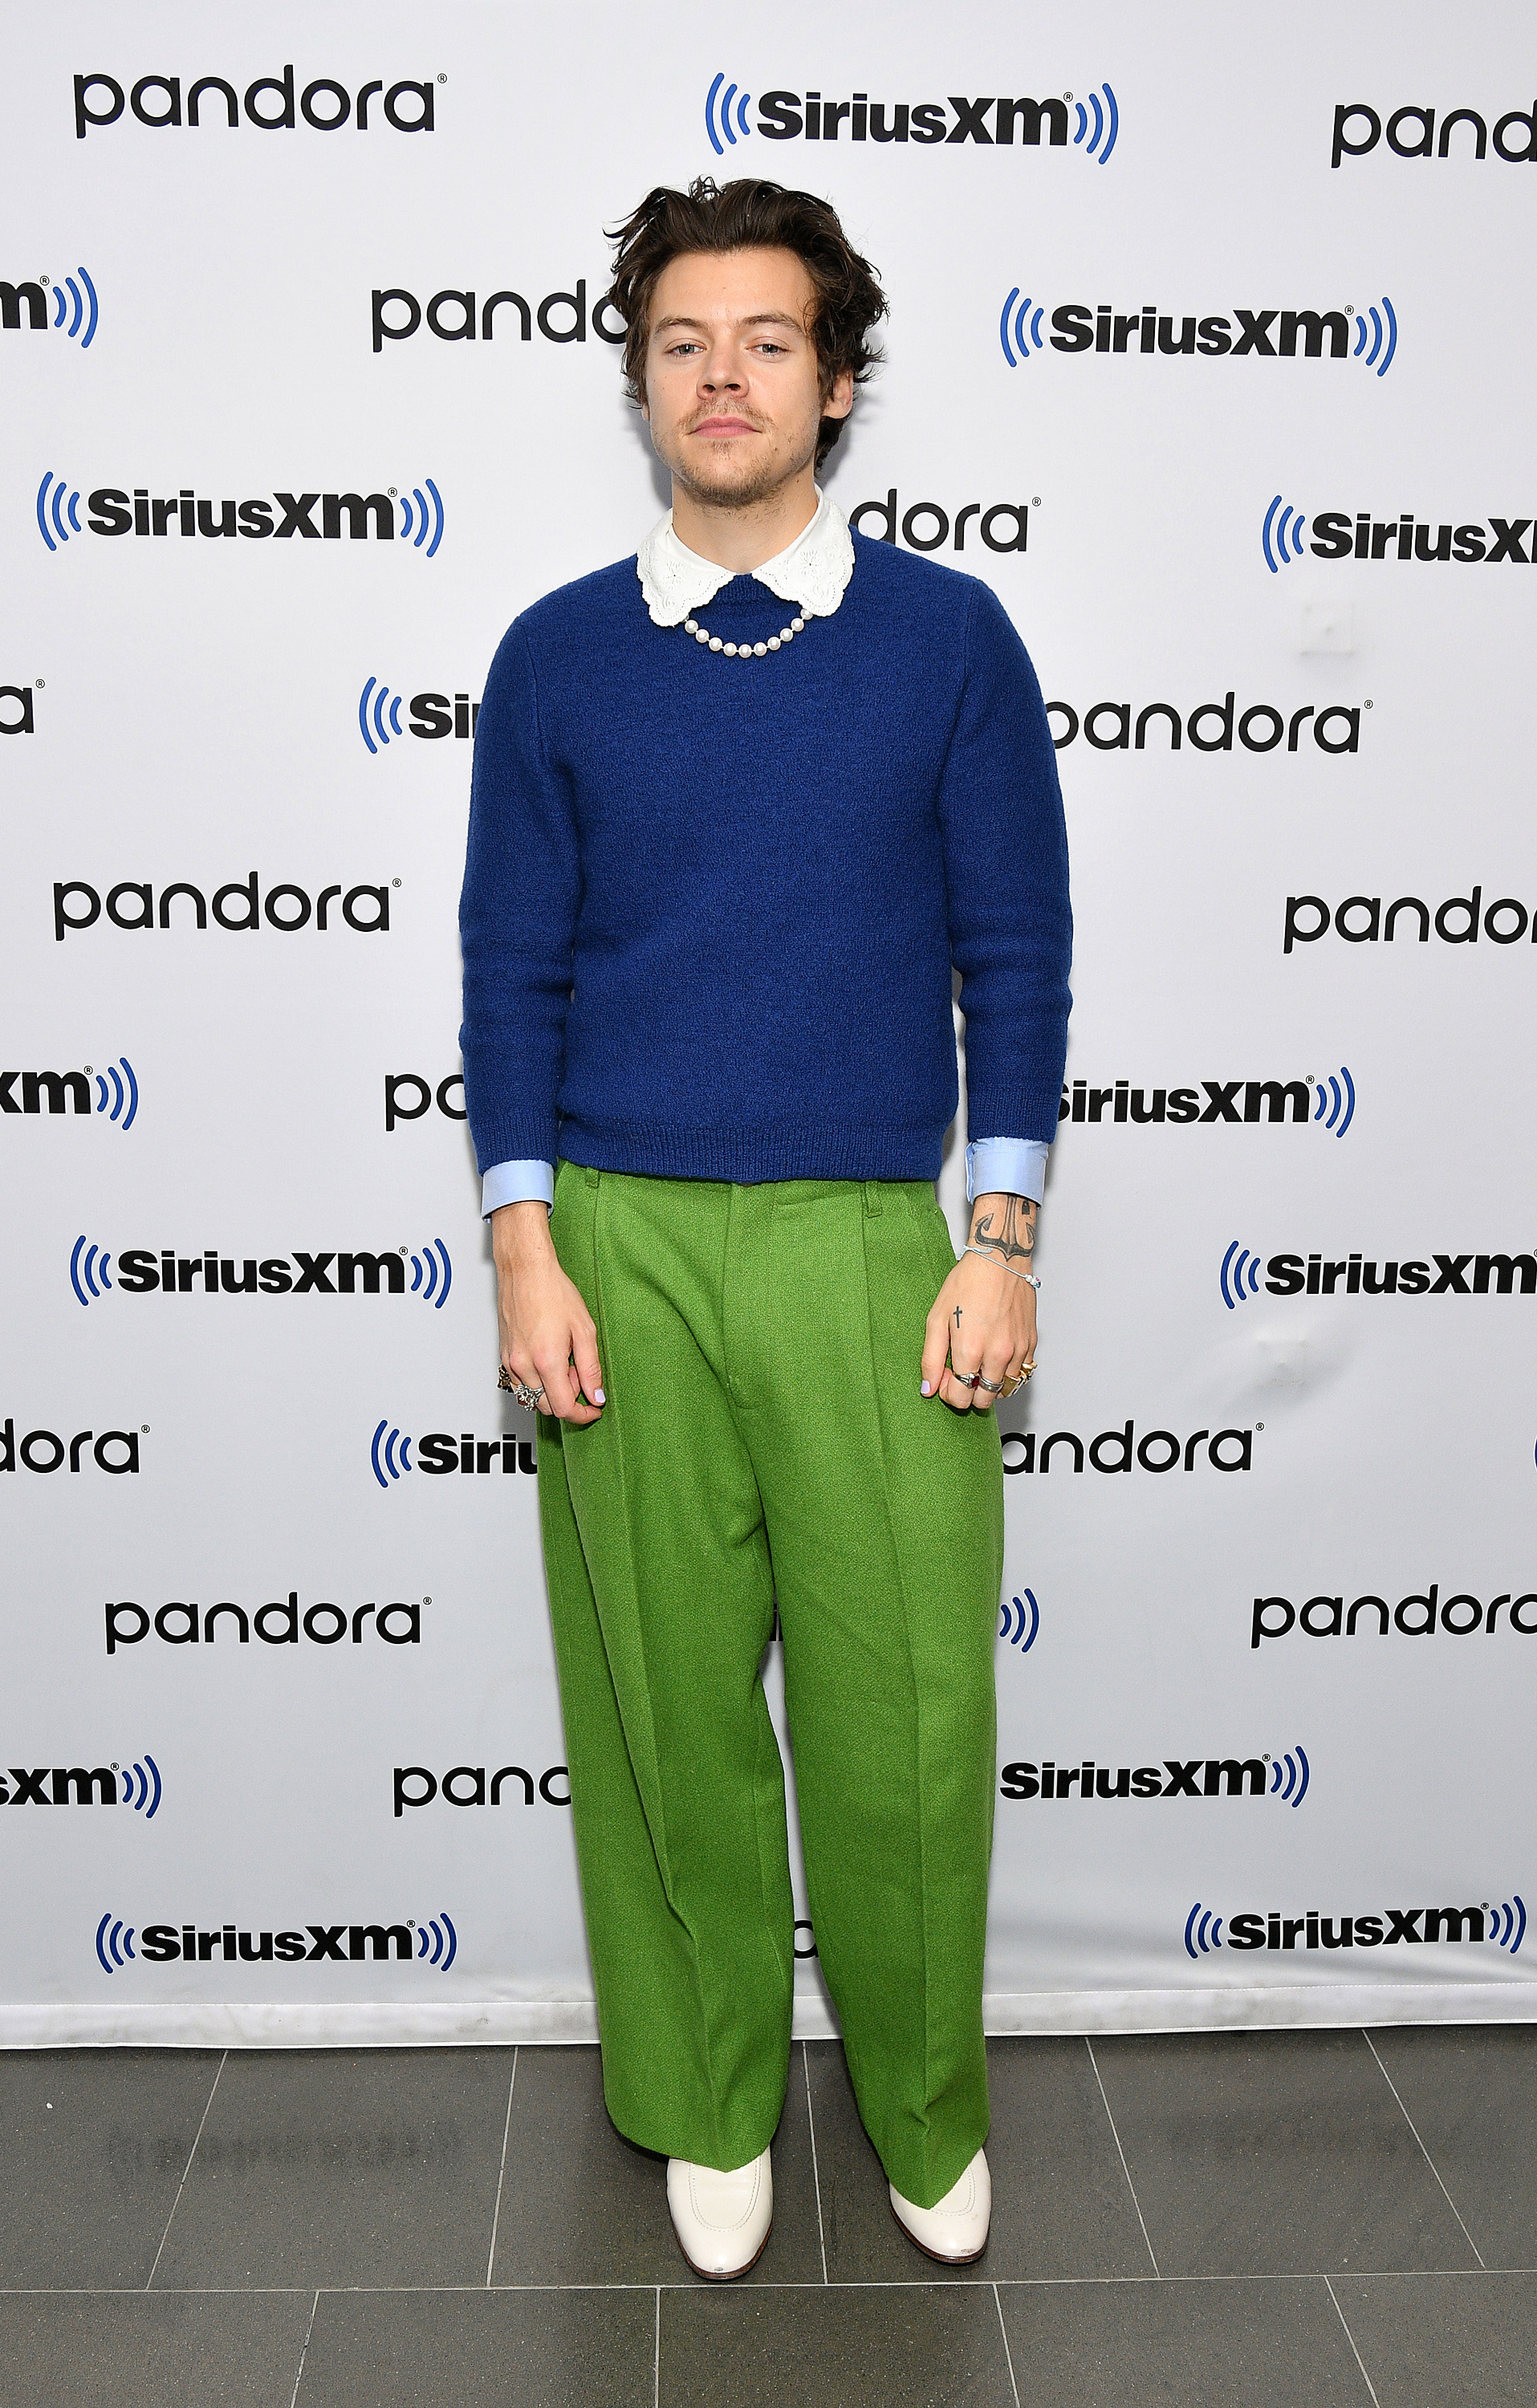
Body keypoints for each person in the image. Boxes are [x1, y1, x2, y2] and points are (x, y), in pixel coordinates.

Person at [459, 177, 1071, 2279]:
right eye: (683, 342)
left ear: (836, 376)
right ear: (639, 375)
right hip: (614, 1243)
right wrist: (525, 1245)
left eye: (769, 342)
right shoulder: (552, 659)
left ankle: (919, 2107)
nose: (723, 379)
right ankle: (711, 2099)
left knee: (907, 1717)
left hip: (867, 1249)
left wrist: (1002, 1233)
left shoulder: (947, 642)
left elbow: (1020, 949)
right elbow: (508, 966)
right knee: (664, 1711)